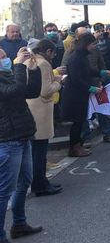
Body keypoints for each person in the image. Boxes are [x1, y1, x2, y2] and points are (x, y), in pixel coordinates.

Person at [0, 47, 43, 242]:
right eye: (1, 57)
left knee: (24, 181)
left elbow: (31, 92)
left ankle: (19, 224)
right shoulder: (7, 78)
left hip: (22, 135)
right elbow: (14, 92)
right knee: (4, 191)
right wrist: (18, 65)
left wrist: (33, 70)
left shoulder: (7, 75)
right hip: (8, 140)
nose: (5, 58)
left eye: (4, 55)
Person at [61, 33, 110, 157]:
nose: (94, 46)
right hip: (74, 96)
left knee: (80, 121)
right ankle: (74, 148)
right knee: (77, 122)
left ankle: (77, 145)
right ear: (86, 44)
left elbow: (88, 71)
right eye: (93, 44)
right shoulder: (75, 58)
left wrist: (101, 72)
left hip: (80, 94)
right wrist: (90, 88)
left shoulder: (82, 56)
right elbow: (76, 79)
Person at [25, 40, 63, 197]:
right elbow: (46, 91)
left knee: (34, 151)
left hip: (30, 108)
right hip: (41, 110)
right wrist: (59, 82)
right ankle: (40, 184)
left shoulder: (28, 61)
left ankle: (39, 182)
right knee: (40, 151)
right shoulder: (44, 64)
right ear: (49, 51)